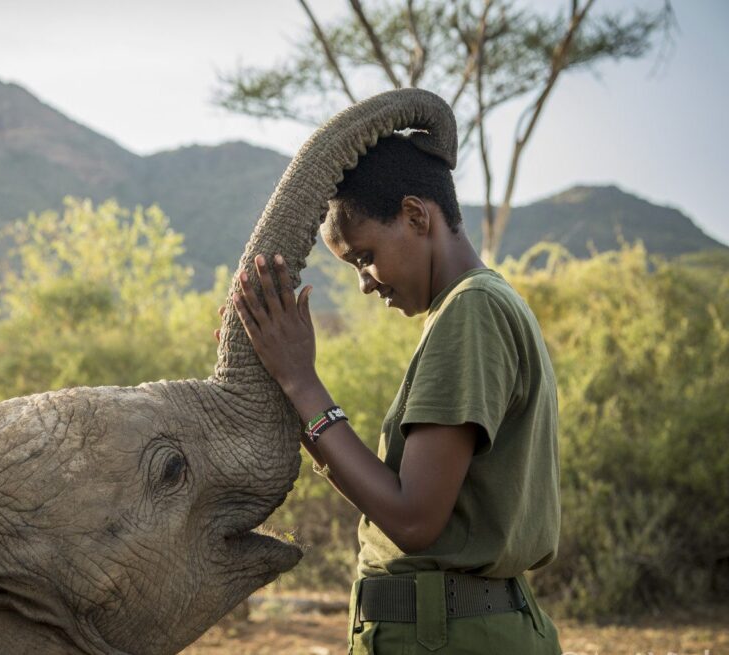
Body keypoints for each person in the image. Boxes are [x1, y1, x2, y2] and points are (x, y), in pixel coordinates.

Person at [226, 134, 563, 654]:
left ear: (415, 216)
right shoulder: (475, 307)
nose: (364, 283)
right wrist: (288, 387)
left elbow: (413, 519)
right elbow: (398, 497)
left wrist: (302, 381)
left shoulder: (472, 311)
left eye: (365, 256)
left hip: (452, 637)